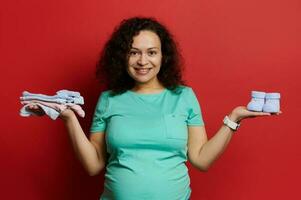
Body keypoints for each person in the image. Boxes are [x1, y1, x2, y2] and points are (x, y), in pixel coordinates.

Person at [27, 17, 281, 200]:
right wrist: (70, 119)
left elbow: (201, 159)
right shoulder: (109, 99)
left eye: (151, 52)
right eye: (133, 52)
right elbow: (93, 165)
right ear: (122, 57)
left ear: (163, 56)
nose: (142, 61)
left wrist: (234, 119)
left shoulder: (183, 96)